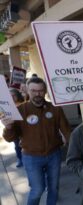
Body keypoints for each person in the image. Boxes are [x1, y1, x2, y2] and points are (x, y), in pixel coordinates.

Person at [1, 77, 71, 205]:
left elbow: (67, 131)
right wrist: (9, 127)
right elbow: (10, 138)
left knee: (54, 188)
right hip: (31, 157)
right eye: (33, 90)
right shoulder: (20, 110)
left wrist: (75, 148)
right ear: (27, 90)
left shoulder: (55, 109)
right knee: (37, 190)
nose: (37, 94)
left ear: (45, 91)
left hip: (54, 155)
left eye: (40, 90)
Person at [9, 88, 25, 167]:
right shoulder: (7, 106)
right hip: (15, 129)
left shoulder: (24, 104)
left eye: (13, 95)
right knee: (17, 146)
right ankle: (20, 159)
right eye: (10, 96)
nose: (12, 97)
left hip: (25, 129)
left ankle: (26, 159)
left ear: (17, 95)